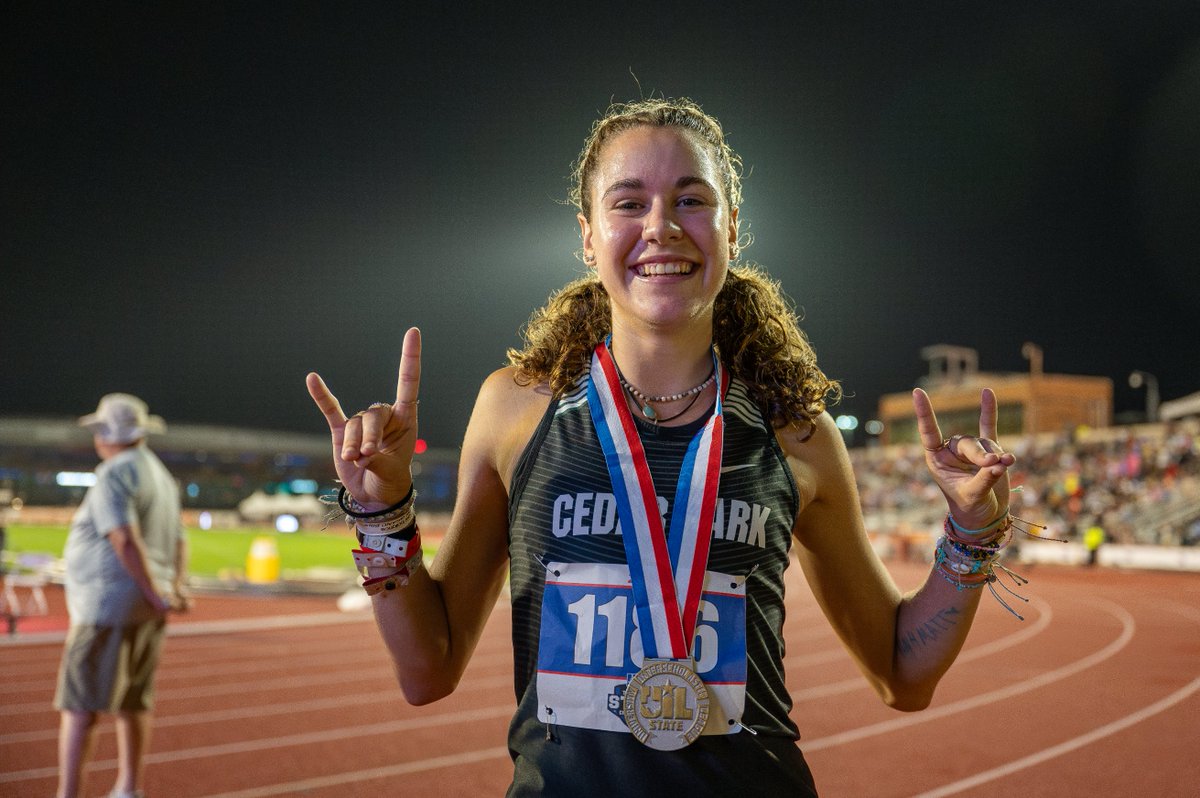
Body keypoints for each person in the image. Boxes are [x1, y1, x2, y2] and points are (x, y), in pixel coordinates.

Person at [308, 97, 1021, 796]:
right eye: (628, 203)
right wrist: (383, 514)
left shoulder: (795, 434)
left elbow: (902, 674)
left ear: (730, 228)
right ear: (587, 236)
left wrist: (973, 530)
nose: (661, 227)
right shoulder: (516, 411)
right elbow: (427, 672)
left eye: (690, 200)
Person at [55, 393, 191, 798]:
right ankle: (128, 789)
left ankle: (68, 794)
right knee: (133, 701)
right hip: (147, 608)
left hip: (106, 606)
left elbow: (124, 540)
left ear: (107, 435)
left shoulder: (114, 473)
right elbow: (180, 541)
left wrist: (154, 591)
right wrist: (171, 591)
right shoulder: (160, 474)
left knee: (79, 707)